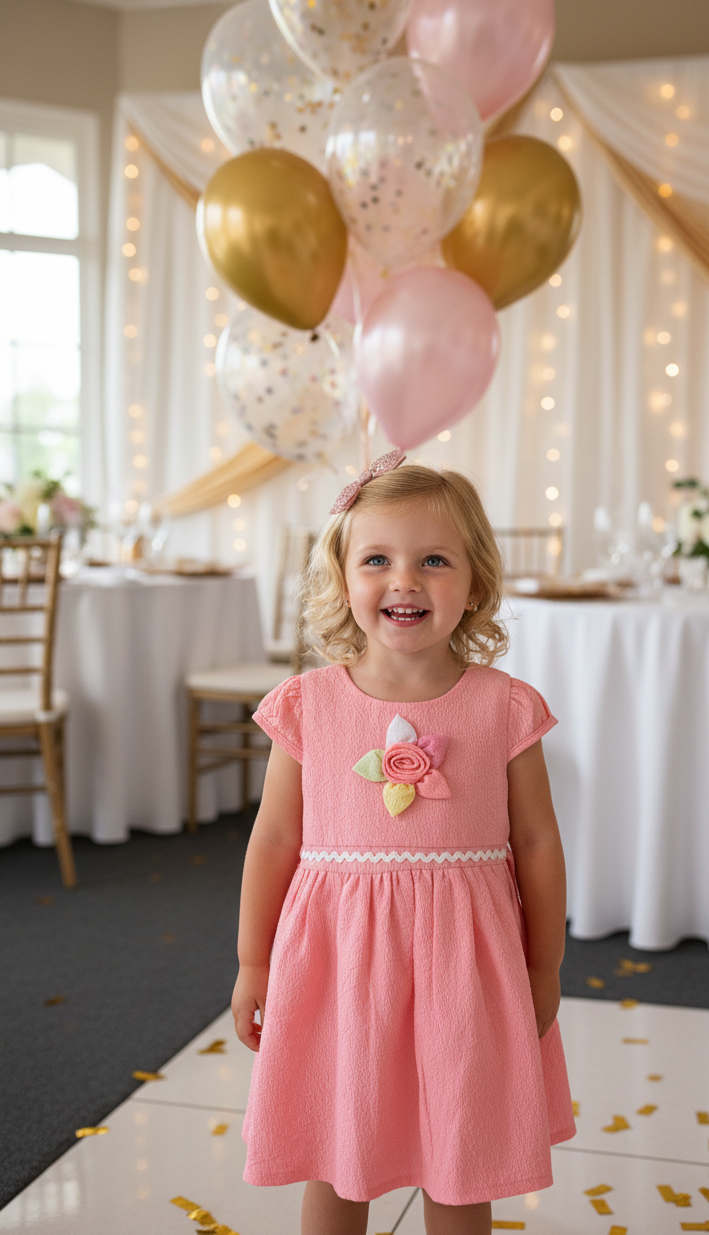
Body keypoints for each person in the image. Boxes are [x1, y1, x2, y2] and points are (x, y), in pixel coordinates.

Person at [232, 453, 575, 1235]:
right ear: (344, 578)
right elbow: (275, 838)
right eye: (377, 559)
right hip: (340, 965)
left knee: (463, 1149)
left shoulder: (506, 707)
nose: (405, 581)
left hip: (468, 967)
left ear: (476, 583)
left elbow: (538, 841)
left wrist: (543, 962)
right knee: (337, 1145)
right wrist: (255, 961)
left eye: (434, 561)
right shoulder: (307, 706)